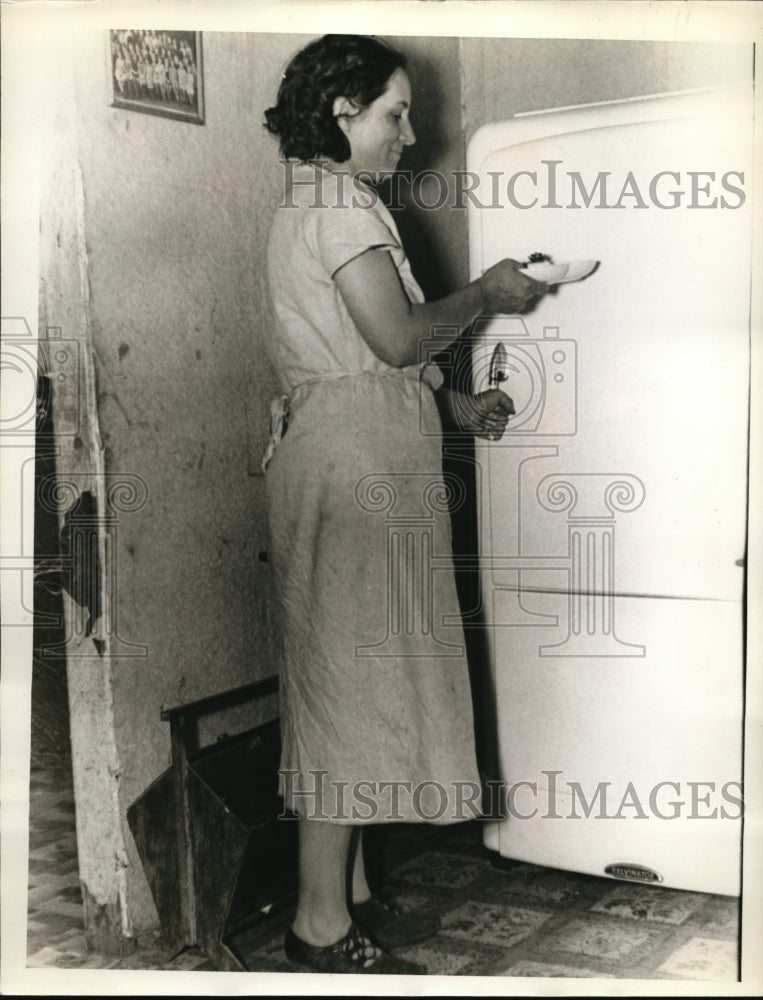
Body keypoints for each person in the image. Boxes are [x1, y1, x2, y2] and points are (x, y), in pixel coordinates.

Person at [262, 34, 545, 975]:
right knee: (346, 692)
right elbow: (396, 340)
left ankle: (341, 897)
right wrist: (491, 290)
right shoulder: (338, 209)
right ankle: (317, 928)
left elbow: (362, 365)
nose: (409, 133)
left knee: (350, 681)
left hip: (350, 459)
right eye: (393, 113)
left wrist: (457, 406)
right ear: (341, 115)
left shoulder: (317, 204)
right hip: (352, 478)